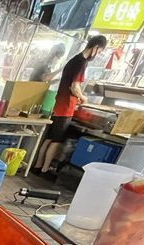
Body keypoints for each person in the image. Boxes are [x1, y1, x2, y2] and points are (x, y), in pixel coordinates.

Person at [34, 35, 107, 176]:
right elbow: (75, 87)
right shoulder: (81, 63)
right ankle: (44, 170)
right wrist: (83, 97)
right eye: (99, 52)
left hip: (58, 105)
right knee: (56, 141)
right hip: (66, 108)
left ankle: (37, 165)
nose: (98, 55)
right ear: (96, 47)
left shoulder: (73, 60)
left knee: (49, 138)